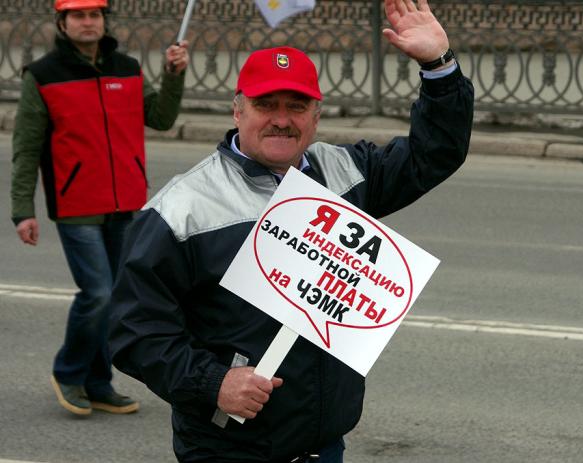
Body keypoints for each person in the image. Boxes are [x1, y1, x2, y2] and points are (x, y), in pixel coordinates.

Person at [108, 0, 472, 460]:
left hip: (323, 444)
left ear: (316, 117)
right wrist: (212, 382)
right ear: (237, 112)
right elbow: (132, 329)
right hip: (228, 449)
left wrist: (437, 66)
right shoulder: (182, 207)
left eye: (296, 106)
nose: (282, 119)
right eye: (266, 105)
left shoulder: (344, 170)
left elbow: (436, 153)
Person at [10, 0, 189, 416]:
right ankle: (68, 372)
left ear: (104, 21)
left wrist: (173, 76)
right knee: (98, 294)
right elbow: (26, 148)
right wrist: (23, 210)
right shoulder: (43, 76)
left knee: (118, 299)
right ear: (63, 22)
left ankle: (97, 381)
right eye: (78, 15)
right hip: (77, 207)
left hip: (125, 203)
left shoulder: (126, 68)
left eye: (94, 15)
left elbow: (161, 118)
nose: (88, 22)